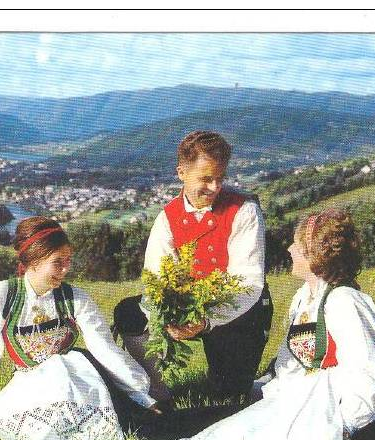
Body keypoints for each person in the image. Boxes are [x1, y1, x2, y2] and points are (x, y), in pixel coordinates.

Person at [139, 209, 375, 440]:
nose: (290, 249)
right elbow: (289, 361)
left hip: (328, 408)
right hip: (299, 399)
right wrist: (261, 388)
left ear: (316, 254)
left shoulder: (344, 301)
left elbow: (373, 378)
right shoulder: (304, 298)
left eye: (298, 245)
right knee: (220, 433)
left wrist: (342, 427)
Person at [0, 216, 160, 440]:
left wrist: (139, 392)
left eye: (68, 261)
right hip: (30, 383)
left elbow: (104, 349)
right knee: (19, 421)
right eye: (58, 262)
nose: (65, 269)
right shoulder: (3, 294)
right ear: (34, 261)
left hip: (74, 377)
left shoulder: (76, 298)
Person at [114, 131, 271, 400]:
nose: (215, 187)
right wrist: (167, 316)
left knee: (228, 398)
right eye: (205, 179)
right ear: (181, 173)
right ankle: (157, 392)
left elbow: (249, 283)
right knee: (129, 312)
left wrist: (206, 320)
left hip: (238, 312)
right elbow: (156, 277)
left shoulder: (245, 212)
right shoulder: (167, 218)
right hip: (186, 308)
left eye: (220, 179)